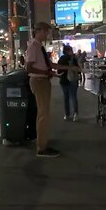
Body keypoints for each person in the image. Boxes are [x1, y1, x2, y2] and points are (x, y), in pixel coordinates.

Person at [25, 22, 79, 157]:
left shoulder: (39, 47)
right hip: (39, 81)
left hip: (42, 80)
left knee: (44, 114)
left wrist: (66, 69)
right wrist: (46, 73)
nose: (47, 35)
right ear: (38, 31)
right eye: (45, 32)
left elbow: (49, 65)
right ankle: (42, 147)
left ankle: (43, 144)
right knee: (43, 114)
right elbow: (29, 68)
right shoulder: (34, 47)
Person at [57, 45, 80, 121]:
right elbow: (78, 70)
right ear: (69, 51)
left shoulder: (61, 59)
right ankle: (75, 114)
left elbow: (58, 70)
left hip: (63, 81)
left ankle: (67, 114)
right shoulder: (73, 59)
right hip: (73, 80)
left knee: (66, 98)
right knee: (73, 97)